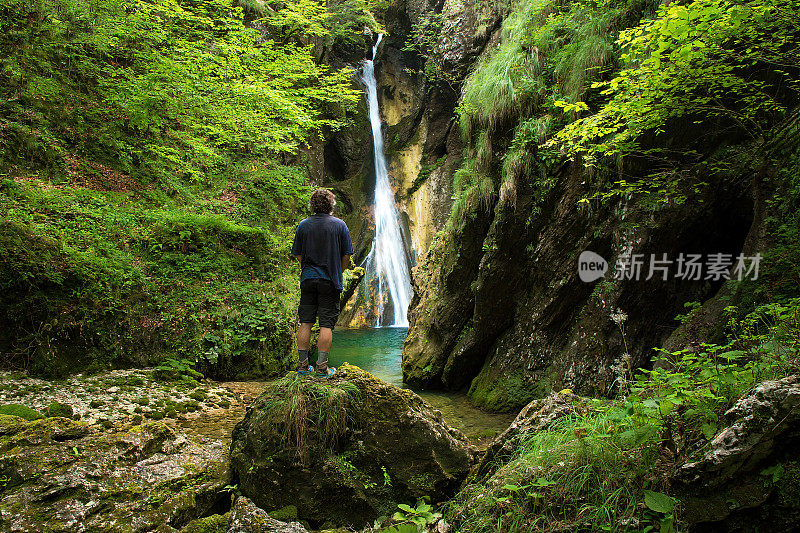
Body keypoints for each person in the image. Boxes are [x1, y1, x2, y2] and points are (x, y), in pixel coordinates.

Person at [290, 188, 354, 377]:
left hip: (308, 279)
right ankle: (322, 368)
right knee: (326, 324)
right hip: (330, 280)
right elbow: (347, 255)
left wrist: (308, 269)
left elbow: (298, 254)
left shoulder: (303, 225)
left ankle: (302, 367)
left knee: (305, 321)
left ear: (312, 205)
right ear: (331, 205)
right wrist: (338, 271)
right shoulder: (340, 225)